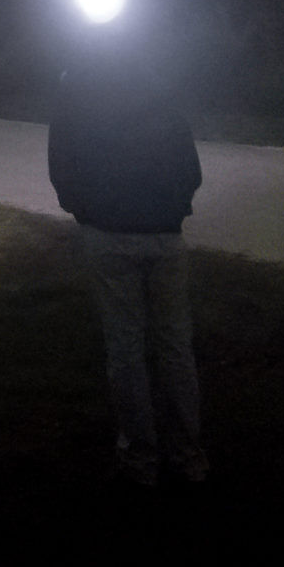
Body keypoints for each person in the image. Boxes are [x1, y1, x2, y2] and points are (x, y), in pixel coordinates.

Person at [48, 44, 209, 489]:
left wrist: (85, 211)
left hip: (110, 235)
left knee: (126, 350)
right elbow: (190, 167)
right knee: (176, 348)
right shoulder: (161, 89)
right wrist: (173, 208)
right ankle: (188, 456)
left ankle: (141, 459)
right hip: (164, 234)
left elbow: (61, 163)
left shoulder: (76, 89)